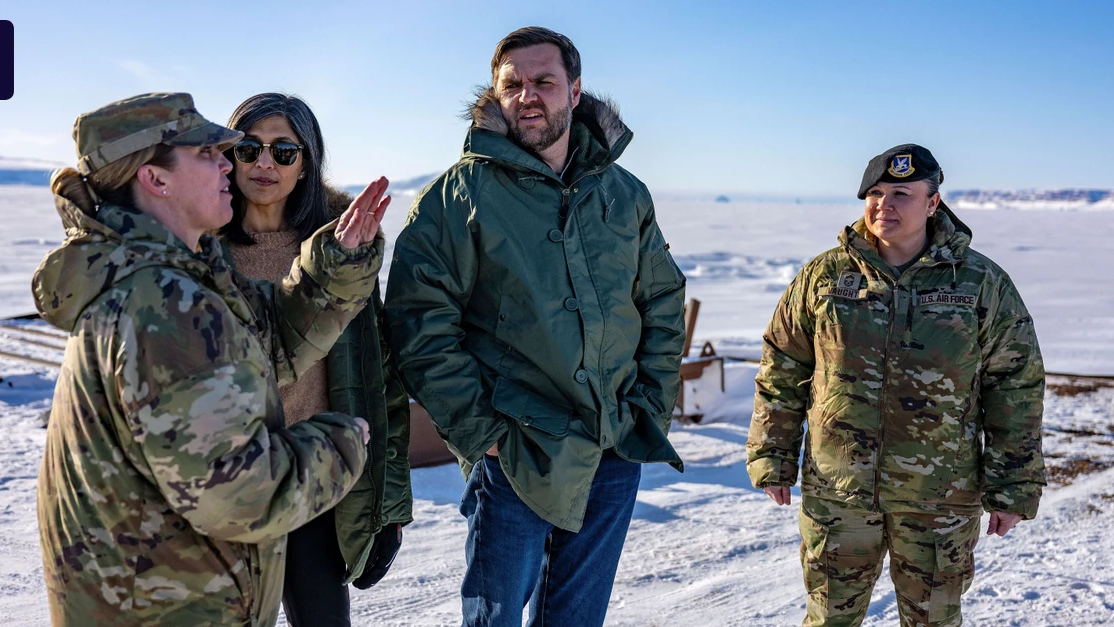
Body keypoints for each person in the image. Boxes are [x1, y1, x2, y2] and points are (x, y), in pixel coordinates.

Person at [33, 92, 390, 626]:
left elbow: (269, 341)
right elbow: (236, 495)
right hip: (168, 605)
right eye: (208, 153)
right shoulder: (163, 305)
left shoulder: (174, 277)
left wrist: (335, 266)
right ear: (156, 179)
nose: (229, 164)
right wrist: (338, 445)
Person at [385, 26, 687, 627]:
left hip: (611, 445)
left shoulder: (623, 194)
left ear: (574, 91)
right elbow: (419, 323)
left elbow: (660, 300)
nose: (527, 96)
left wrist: (648, 403)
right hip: (516, 452)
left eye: (543, 81)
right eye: (512, 85)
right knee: (493, 620)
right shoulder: (459, 195)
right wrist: (482, 432)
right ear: (495, 96)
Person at [746, 144, 1045, 626]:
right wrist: (772, 454)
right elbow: (782, 365)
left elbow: (1016, 386)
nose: (885, 205)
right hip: (839, 491)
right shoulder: (826, 276)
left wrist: (1014, 483)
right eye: (876, 193)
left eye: (901, 194)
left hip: (939, 497)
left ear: (932, 203)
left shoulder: (979, 282)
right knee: (829, 620)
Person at [220, 92, 413, 627]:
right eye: (248, 148)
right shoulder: (200, 248)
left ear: (305, 164)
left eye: (283, 151)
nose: (264, 163)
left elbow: (379, 379)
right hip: (225, 483)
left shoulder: (340, 251)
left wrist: (390, 503)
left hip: (314, 476)